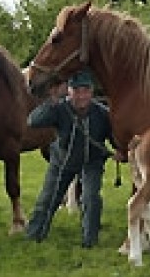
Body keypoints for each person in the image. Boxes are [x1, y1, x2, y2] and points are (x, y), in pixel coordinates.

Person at [25, 68, 118, 248]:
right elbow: (33, 121)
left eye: (85, 91)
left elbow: (113, 136)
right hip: (62, 161)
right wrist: (51, 102)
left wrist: (119, 150)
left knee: (91, 199)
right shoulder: (59, 108)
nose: (81, 96)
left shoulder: (102, 113)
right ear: (69, 91)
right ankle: (34, 236)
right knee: (48, 199)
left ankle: (89, 241)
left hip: (92, 162)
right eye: (76, 91)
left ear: (91, 92)